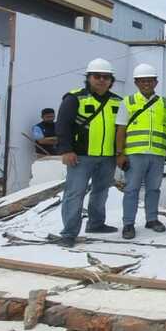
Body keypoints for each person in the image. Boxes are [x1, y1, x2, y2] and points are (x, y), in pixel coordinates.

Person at [55, 58, 122, 247]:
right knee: (74, 194)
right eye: (97, 76)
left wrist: (119, 153)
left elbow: (122, 129)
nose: (101, 80)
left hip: (107, 157)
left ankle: (96, 223)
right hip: (80, 156)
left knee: (100, 192)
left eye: (106, 77)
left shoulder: (117, 101)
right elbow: (62, 125)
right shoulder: (74, 98)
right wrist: (66, 150)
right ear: (89, 77)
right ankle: (69, 233)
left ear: (111, 80)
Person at [115, 64, 166, 240]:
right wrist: (120, 153)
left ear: (156, 82)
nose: (146, 83)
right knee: (131, 189)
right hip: (135, 154)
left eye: (150, 80)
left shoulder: (165, 103)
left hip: (157, 153)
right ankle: (128, 223)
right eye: (142, 81)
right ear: (136, 82)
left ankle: (152, 219)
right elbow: (121, 129)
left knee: (154, 189)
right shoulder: (128, 102)